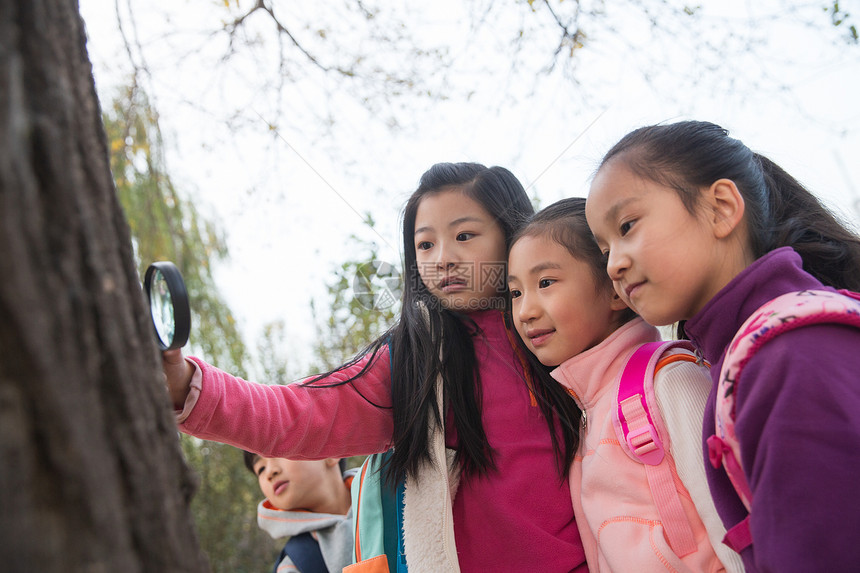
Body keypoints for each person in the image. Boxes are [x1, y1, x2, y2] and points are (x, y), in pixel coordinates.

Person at [163, 162, 587, 572]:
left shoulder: (572, 329)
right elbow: (299, 413)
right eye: (425, 244)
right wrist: (188, 388)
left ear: (511, 235)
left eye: (465, 235)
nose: (443, 258)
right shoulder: (415, 363)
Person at [584, 120, 860, 572]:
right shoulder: (746, 356)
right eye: (603, 249)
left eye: (628, 225)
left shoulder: (790, 356)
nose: (614, 264)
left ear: (721, 207)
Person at [507, 197, 742, 572]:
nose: (525, 311)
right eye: (516, 292)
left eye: (546, 282)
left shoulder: (670, 379)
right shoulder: (586, 409)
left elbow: (731, 524)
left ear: (616, 289)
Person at [244, 452, 356, 573]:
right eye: (261, 469)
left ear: (331, 453)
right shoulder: (293, 565)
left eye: (280, 451)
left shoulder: (378, 491)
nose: (270, 472)